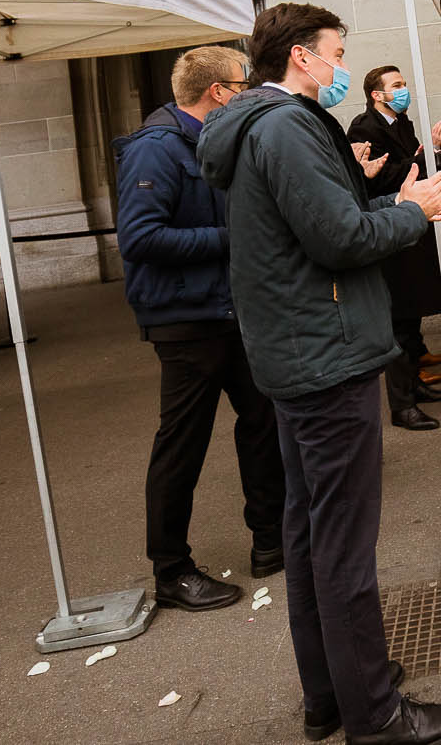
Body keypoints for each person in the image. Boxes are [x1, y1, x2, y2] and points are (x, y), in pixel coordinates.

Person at [198, 3, 441, 745]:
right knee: (341, 544)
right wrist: (415, 211)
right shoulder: (284, 125)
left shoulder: (262, 123)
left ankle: (332, 691)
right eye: (337, 51)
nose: (342, 64)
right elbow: (338, 237)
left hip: (298, 350)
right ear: (299, 56)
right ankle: (376, 714)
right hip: (324, 352)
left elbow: (320, 221)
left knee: (310, 531)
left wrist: (394, 199)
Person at [114, 45, 286, 614]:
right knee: (181, 445)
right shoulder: (155, 149)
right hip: (185, 321)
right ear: (220, 93)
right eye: (244, 85)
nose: (249, 93)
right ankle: (171, 570)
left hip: (231, 310)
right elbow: (140, 238)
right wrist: (232, 241)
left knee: (262, 421)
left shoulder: (212, 140)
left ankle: (271, 539)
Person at [348, 66, 441, 433]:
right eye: (396, 85)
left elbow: (415, 168)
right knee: (396, 321)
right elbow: (382, 178)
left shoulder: (403, 122)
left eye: (403, 83)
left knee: (410, 315)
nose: (404, 90)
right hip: (389, 229)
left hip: (411, 226)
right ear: (376, 95)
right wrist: (418, 158)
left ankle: (415, 385)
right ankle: (402, 406)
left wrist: (439, 152)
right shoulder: (364, 128)